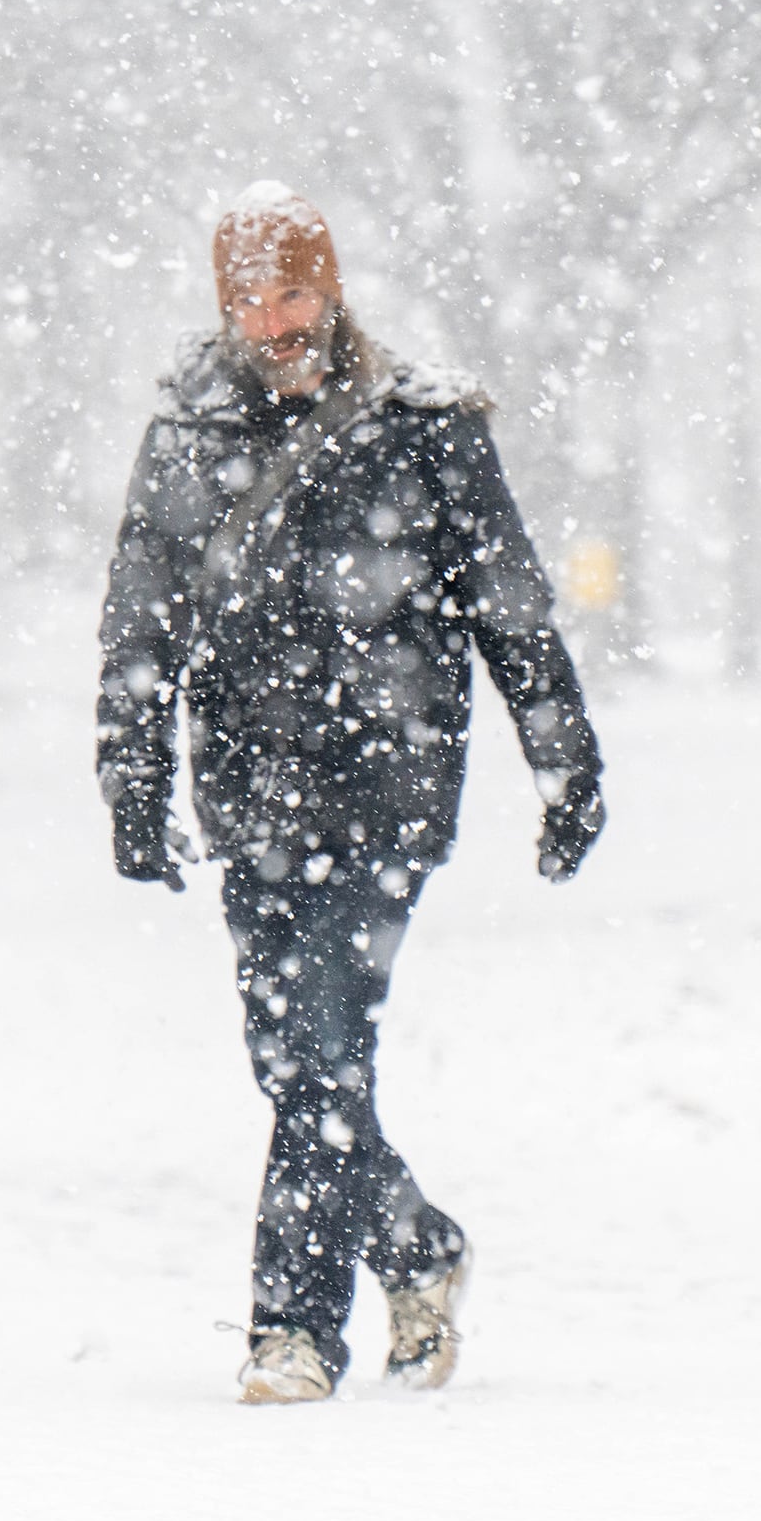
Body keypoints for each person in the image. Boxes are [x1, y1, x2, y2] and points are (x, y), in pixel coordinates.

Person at [94, 183, 605, 1404]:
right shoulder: (189, 436)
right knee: (295, 1056)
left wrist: (565, 758)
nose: (273, 322)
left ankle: (293, 1330)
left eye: (293, 294)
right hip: (252, 790)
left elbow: (510, 602)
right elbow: (141, 616)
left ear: (332, 289)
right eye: (248, 301)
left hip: (389, 780)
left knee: (322, 1047)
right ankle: (417, 1245)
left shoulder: (424, 425)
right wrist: (132, 773)